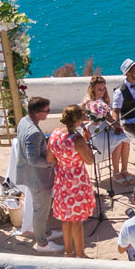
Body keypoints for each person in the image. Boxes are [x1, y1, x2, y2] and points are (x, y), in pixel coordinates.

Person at [9, 96, 62, 252]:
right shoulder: (34, 133)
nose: (48, 113)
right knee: (41, 209)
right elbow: (33, 159)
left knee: (43, 207)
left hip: (29, 174)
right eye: (47, 111)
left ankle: (46, 233)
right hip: (37, 177)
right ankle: (42, 243)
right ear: (38, 112)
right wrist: (52, 162)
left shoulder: (23, 121)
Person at [46, 105, 100, 258]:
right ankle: (81, 254)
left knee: (66, 218)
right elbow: (89, 160)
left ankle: (68, 251)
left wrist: (64, 162)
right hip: (77, 181)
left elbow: (50, 158)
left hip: (62, 179)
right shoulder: (77, 140)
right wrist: (87, 141)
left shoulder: (55, 134)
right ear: (77, 120)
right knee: (77, 220)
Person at [80, 76, 128, 181]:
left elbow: (108, 117)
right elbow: (80, 122)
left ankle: (124, 170)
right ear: (92, 89)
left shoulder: (105, 99)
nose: (102, 91)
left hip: (105, 128)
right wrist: (92, 122)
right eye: (99, 89)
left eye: (104, 88)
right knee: (118, 142)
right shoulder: (86, 102)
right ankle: (116, 173)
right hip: (94, 133)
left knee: (125, 138)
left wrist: (116, 125)